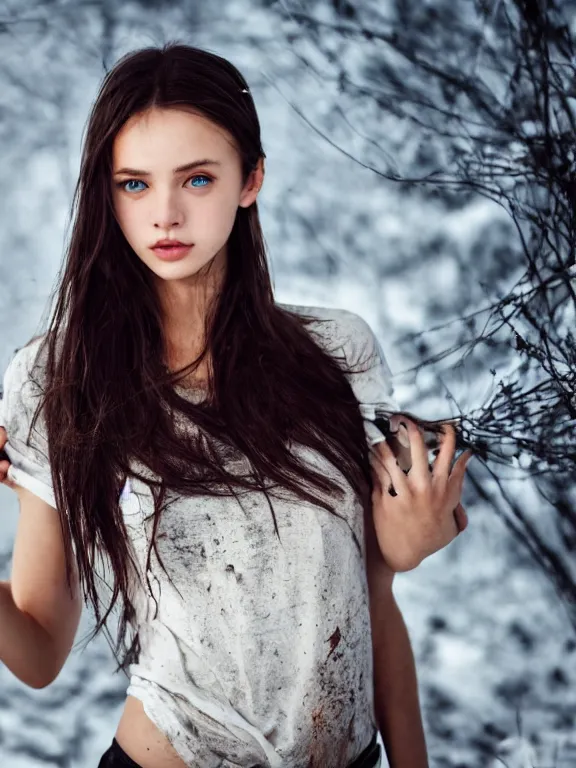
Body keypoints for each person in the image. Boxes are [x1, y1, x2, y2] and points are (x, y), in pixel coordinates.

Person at [0, 43, 472, 768]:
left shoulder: (338, 354)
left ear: (250, 179)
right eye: (133, 184)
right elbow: (37, 652)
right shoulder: (60, 378)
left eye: (196, 178)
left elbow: (373, 603)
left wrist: (407, 545)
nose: (165, 213)